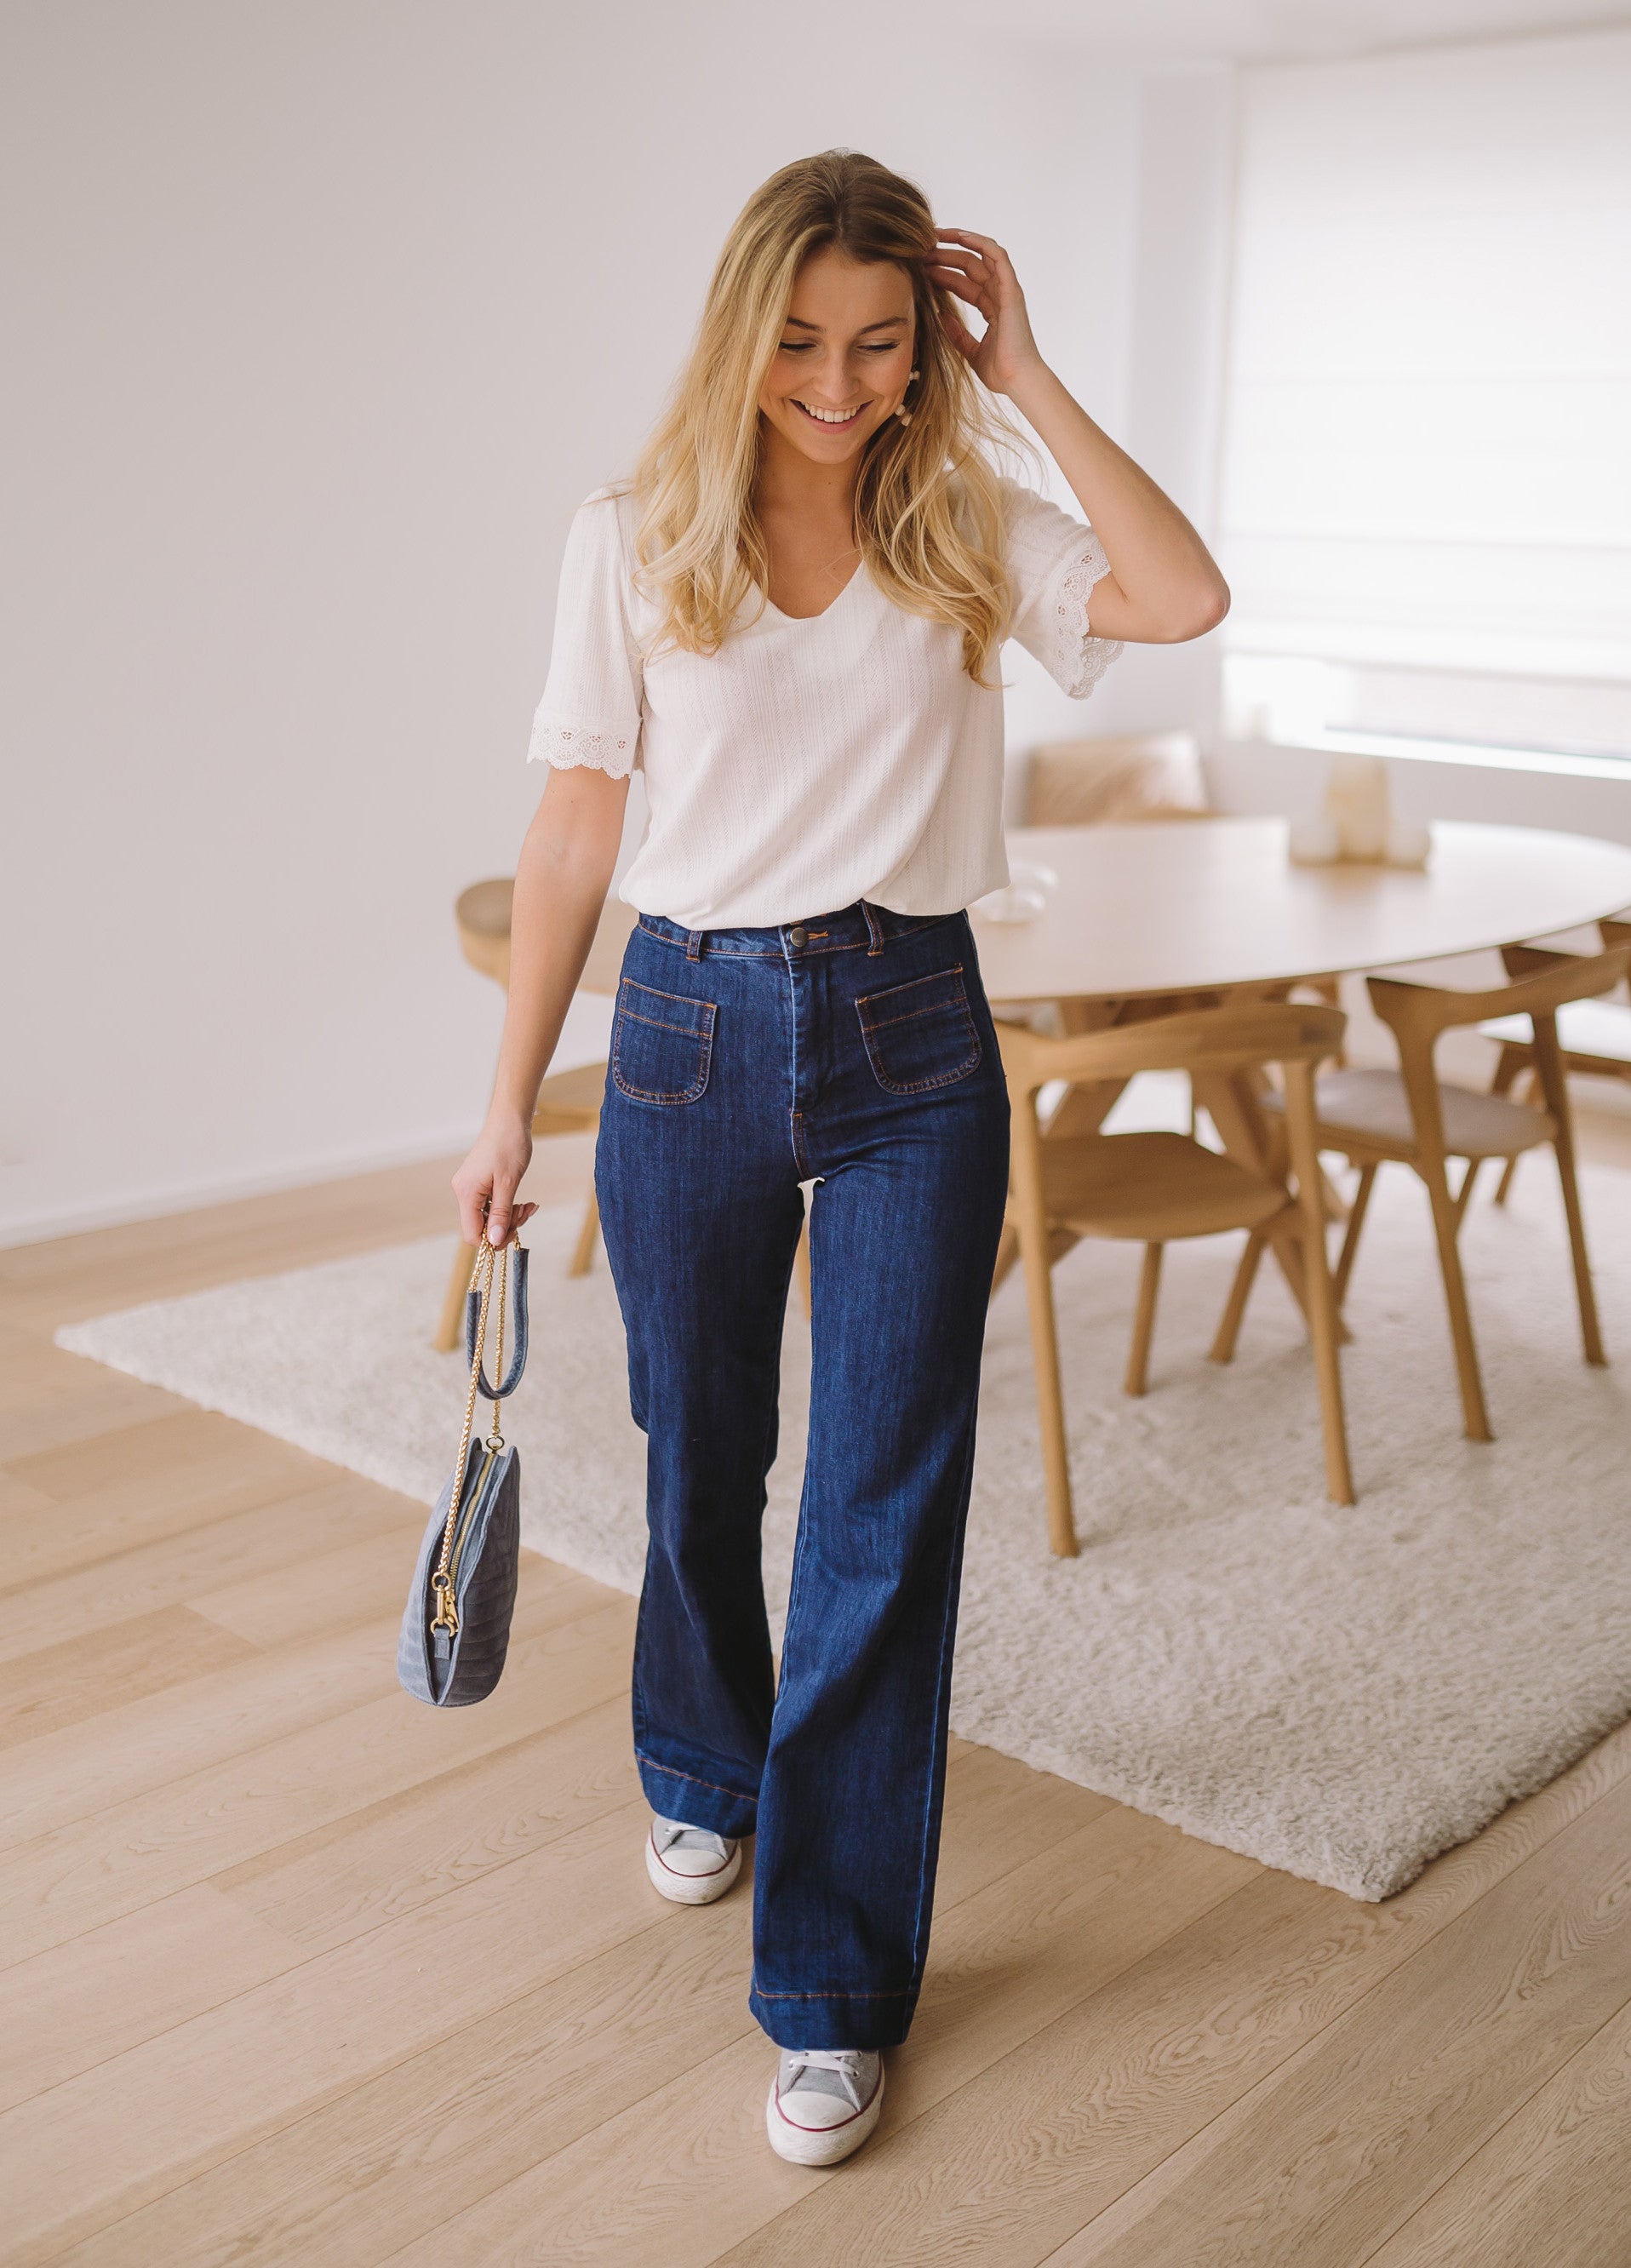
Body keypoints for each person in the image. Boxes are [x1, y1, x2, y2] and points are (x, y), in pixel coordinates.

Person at [453, 148, 1228, 2168]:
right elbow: (567, 836)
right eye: (800, 339)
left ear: (926, 342)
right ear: (742, 330)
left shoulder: (967, 513)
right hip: (688, 1031)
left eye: (883, 342)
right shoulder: (628, 540)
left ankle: (832, 1985)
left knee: (883, 1511)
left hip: (912, 1039)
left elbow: (1182, 595)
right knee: (704, 1453)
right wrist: (496, 1110)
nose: (836, 378)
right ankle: (701, 1758)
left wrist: (1027, 374)